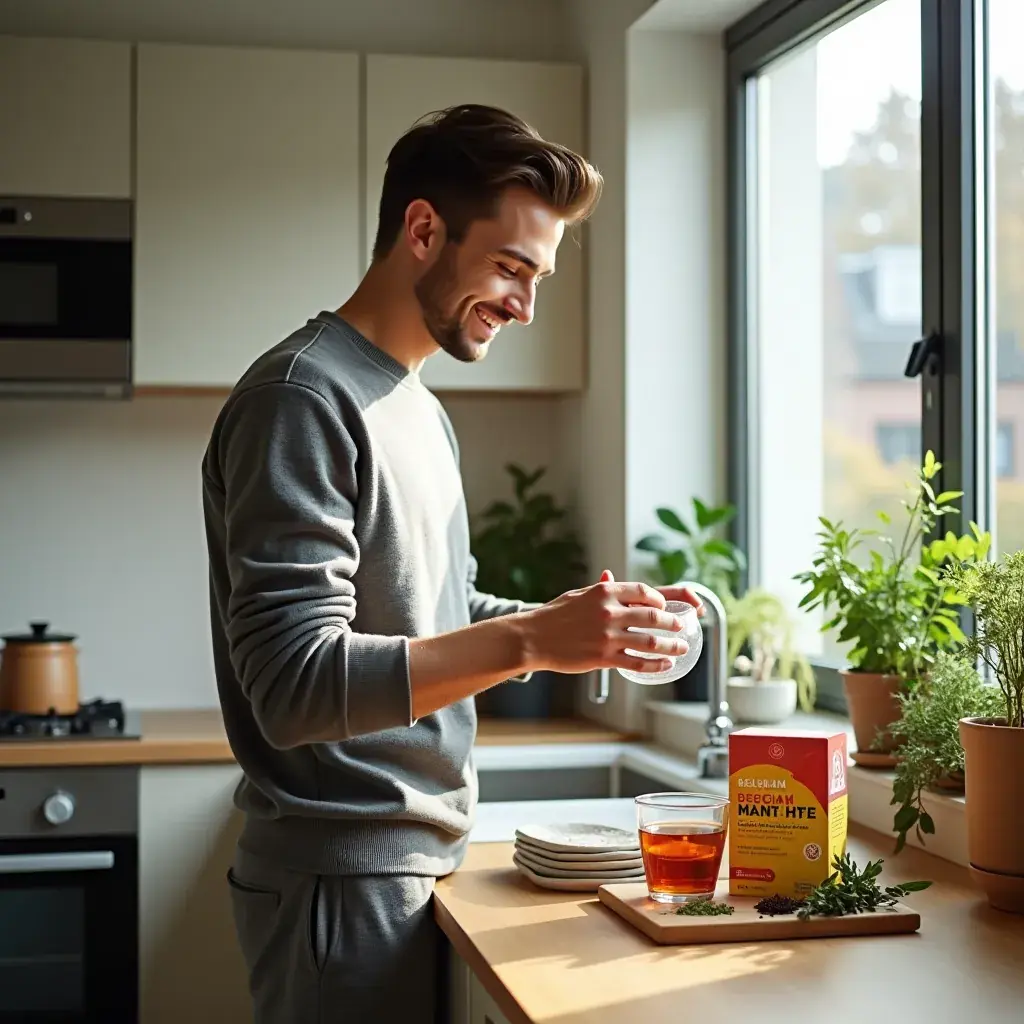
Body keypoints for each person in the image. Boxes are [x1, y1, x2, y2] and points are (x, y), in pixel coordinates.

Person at [201, 103, 701, 1023]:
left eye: (538, 275)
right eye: (512, 267)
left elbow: (438, 606)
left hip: (411, 864)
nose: (525, 303)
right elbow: (293, 684)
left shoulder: (415, 404)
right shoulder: (301, 399)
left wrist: (574, 628)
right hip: (339, 882)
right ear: (423, 229)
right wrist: (529, 641)